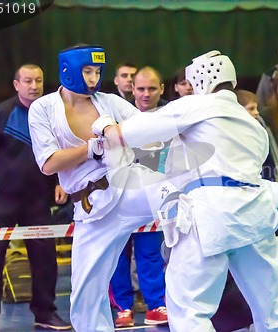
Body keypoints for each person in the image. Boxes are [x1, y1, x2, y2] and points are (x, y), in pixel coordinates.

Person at [101, 50, 278, 331]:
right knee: (273, 304)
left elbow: (133, 132)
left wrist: (105, 127)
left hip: (213, 216)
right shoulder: (254, 126)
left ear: (201, 80)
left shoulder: (197, 106)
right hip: (255, 218)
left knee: (189, 310)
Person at [27, 44, 180, 332]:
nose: (93, 78)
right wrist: (92, 148)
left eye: (97, 71)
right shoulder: (44, 108)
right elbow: (48, 164)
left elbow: (148, 131)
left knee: (184, 197)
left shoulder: (109, 102)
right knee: (85, 297)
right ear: (68, 70)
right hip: (91, 208)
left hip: (128, 186)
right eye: (87, 71)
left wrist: (181, 120)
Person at [0, 64, 71, 332]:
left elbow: (60, 151)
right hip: (1, 201)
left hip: (38, 201)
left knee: (45, 261)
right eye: (28, 81)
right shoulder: (0, 114)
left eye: (38, 80)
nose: (34, 86)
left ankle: (45, 314)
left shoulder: (52, 115)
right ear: (16, 84)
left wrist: (61, 180)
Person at [110, 66, 168, 328]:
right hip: (118, 198)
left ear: (162, 89)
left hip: (153, 199)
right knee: (119, 254)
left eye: (152, 89)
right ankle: (123, 308)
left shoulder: (171, 117)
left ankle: (156, 305)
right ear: (132, 89)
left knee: (150, 253)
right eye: (141, 88)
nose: (146, 94)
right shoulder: (115, 117)